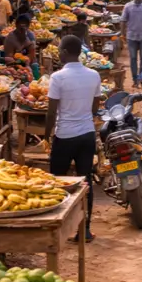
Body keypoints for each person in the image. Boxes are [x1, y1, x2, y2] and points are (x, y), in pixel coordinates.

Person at [46, 35, 102, 243]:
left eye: (59, 49)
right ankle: (85, 230)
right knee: (85, 180)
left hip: (65, 135)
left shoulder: (58, 77)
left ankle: (55, 229)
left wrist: (46, 134)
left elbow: (51, 112)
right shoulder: (93, 75)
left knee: (56, 181)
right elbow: (95, 107)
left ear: (64, 52)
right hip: (87, 134)